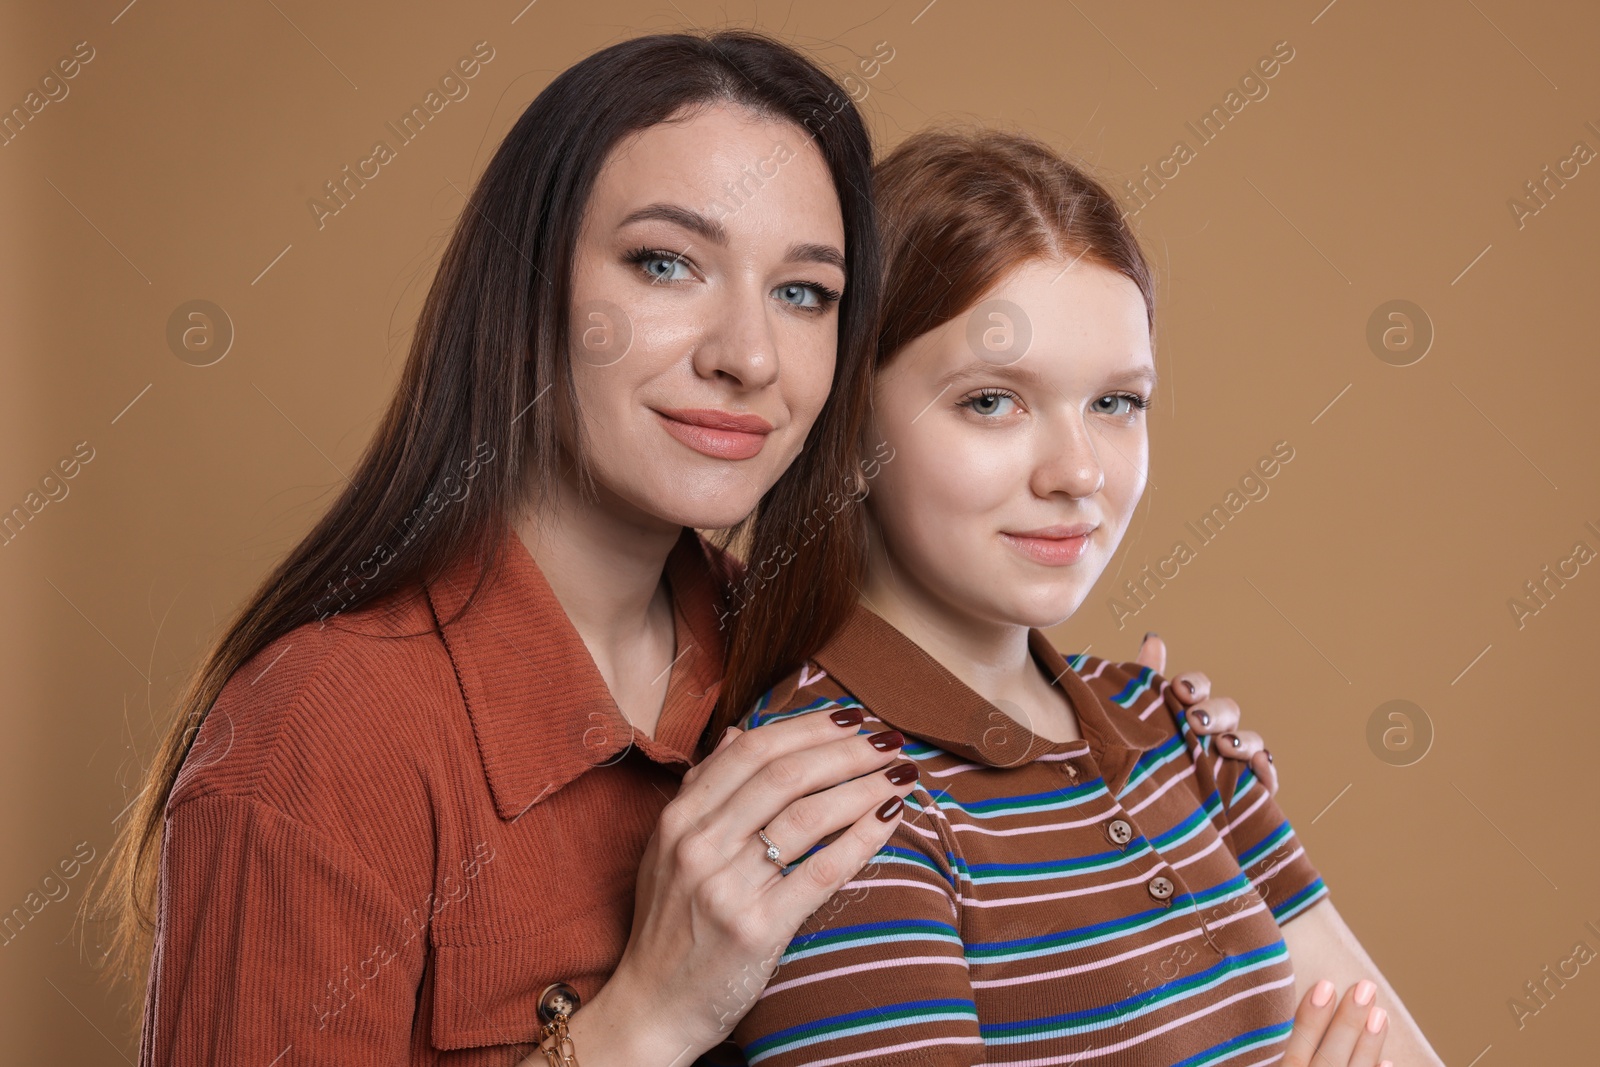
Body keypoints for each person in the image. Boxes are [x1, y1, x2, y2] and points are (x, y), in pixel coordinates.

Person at [92, 31, 1278, 1067]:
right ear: (531, 287)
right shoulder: (320, 737)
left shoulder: (785, 655)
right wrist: (640, 1022)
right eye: (667, 264)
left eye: (806, 293)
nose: (747, 354)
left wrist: (1148, 755)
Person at [720, 127, 1446, 1067]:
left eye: (1117, 402)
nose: (1078, 471)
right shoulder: (836, 806)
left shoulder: (1174, 727)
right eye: (992, 400)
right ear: (852, 427)